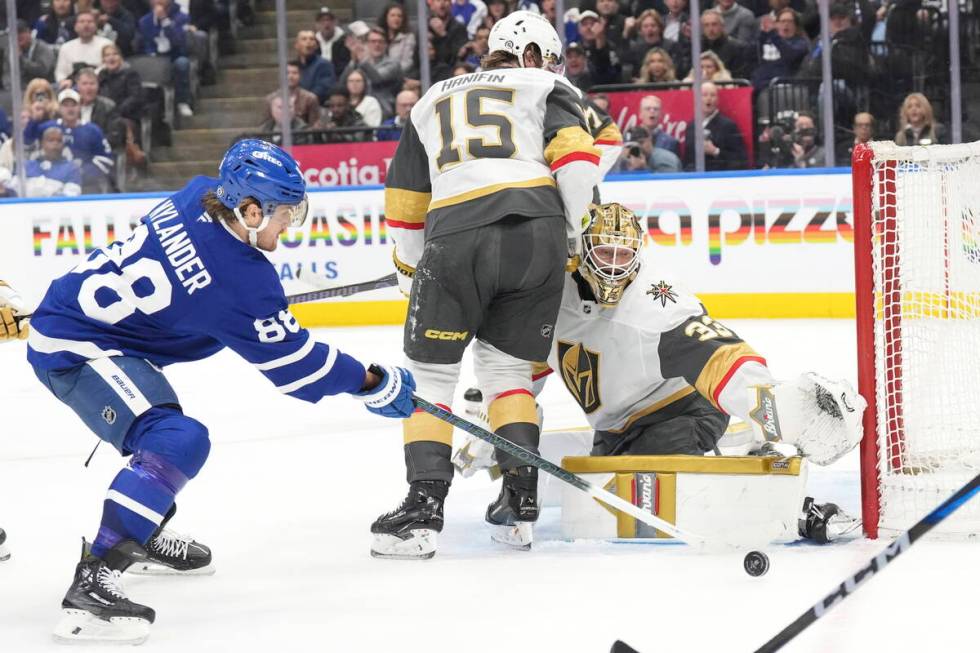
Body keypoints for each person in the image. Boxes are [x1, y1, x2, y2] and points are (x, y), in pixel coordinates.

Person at [25, 139, 415, 645]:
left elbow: (194, 284)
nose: (290, 224)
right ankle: (93, 583)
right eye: (284, 213)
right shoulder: (241, 281)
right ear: (249, 210)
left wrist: (230, 311)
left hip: (91, 324)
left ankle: (139, 529)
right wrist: (372, 382)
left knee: (161, 438)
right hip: (75, 347)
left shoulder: (199, 194)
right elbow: (296, 368)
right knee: (175, 441)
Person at [455, 203, 865, 545]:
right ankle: (740, 442)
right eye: (605, 254)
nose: (615, 268)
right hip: (615, 427)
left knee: (667, 496)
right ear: (583, 251)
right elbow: (527, 367)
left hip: (680, 412)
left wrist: (775, 406)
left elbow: (719, 355)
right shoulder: (552, 295)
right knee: (606, 496)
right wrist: (497, 428)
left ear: (638, 253)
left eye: (624, 255)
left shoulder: (656, 302)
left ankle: (794, 510)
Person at [373, 11, 599, 558]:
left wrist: (410, 266)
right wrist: (571, 237)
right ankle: (519, 503)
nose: (548, 66)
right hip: (539, 234)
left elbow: (405, 203)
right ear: (527, 55)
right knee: (507, 373)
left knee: (431, 376)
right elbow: (576, 159)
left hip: (456, 235)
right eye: (545, 56)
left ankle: (423, 511)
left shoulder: (429, 99)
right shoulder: (547, 85)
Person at [25, 88, 115, 194]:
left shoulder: (92, 130)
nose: (70, 109)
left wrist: (83, 171)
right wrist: (34, 120)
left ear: (80, 106)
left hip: (86, 186)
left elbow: (106, 160)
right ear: (59, 108)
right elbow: (25, 144)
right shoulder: (48, 127)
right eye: (65, 105)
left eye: (73, 105)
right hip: (55, 183)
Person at [137, 0, 196, 118]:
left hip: (175, 55)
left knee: (182, 64)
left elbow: (177, 41)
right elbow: (146, 42)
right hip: (155, 57)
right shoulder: (144, 21)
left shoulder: (181, 17)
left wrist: (164, 20)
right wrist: (151, 54)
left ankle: (182, 101)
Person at [340, 27, 404, 119]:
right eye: (373, 41)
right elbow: (342, 84)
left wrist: (361, 58)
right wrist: (353, 60)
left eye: (380, 41)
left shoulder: (393, 63)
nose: (377, 45)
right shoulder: (361, 63)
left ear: (386, 44)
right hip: (358, 107)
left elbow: (377, 78)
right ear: (367, 44)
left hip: (383, 108)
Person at [683, 81, 748, 171]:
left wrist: (715, 151)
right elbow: (687, 159)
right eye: (704, 95)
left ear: (717, 99)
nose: (709, 99)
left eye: (712, 95)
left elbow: (741, 160)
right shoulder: (691, 126)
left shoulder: (728, 125)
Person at [1, 126, 82, 197]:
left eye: (59, 141)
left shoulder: (71, 169)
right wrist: (4, 190)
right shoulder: (27, 166)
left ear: (63, 145)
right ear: (42, 143)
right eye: (51, 140)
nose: (55, 144)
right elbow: (14, 192)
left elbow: (71, 196)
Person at [55, 10, 115, 88]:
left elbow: (109, 68)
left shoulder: (107, 44)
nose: (86, 25)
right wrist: (63, 81)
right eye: (82, 22)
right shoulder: (66, 47)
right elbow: (60, 72)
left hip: (101, 85)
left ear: (96, 26)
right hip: (72, 86)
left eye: (90, 21)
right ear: (75, 27)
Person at [262, 61, 322, 129]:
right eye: (287, 73)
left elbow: (314, 126)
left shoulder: (310, 98)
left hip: (303, 136)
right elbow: (266, 126)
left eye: (294, 73)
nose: (290, 76)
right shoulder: (270, 99)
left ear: (300, 75)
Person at [76, 68, 126, 150]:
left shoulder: (109, 107)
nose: (89, 88)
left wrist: (91, 144)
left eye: (92, 84)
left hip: (99, 150)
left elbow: (114, 137)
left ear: (98, 86)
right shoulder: (70, 106)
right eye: (84, 84)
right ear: (78, 86)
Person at [295, 29, 336, 105]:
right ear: (296, 45)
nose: (308, 42)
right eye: (304, 39)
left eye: (312, 39)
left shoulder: (324, 65)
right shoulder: (292, 66)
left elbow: (323, 88)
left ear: (316, 45)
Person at [379, 2, 417, 78]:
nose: (396, 18)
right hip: (378, 74)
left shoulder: (408, 37)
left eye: (399, 16)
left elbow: (407, 63)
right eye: (392, 15)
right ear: (386, 17)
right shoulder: (379, 35)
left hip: (398, 77)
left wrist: (390, 73)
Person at [18, 19, 57, 84]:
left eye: (21, 32)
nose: (18, 36)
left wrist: (21, 59)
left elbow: (42, 70)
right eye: (14, 33)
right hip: (18, 88)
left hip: (43, 86)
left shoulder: (42, 47)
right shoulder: (10, 50)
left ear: (29, 32)